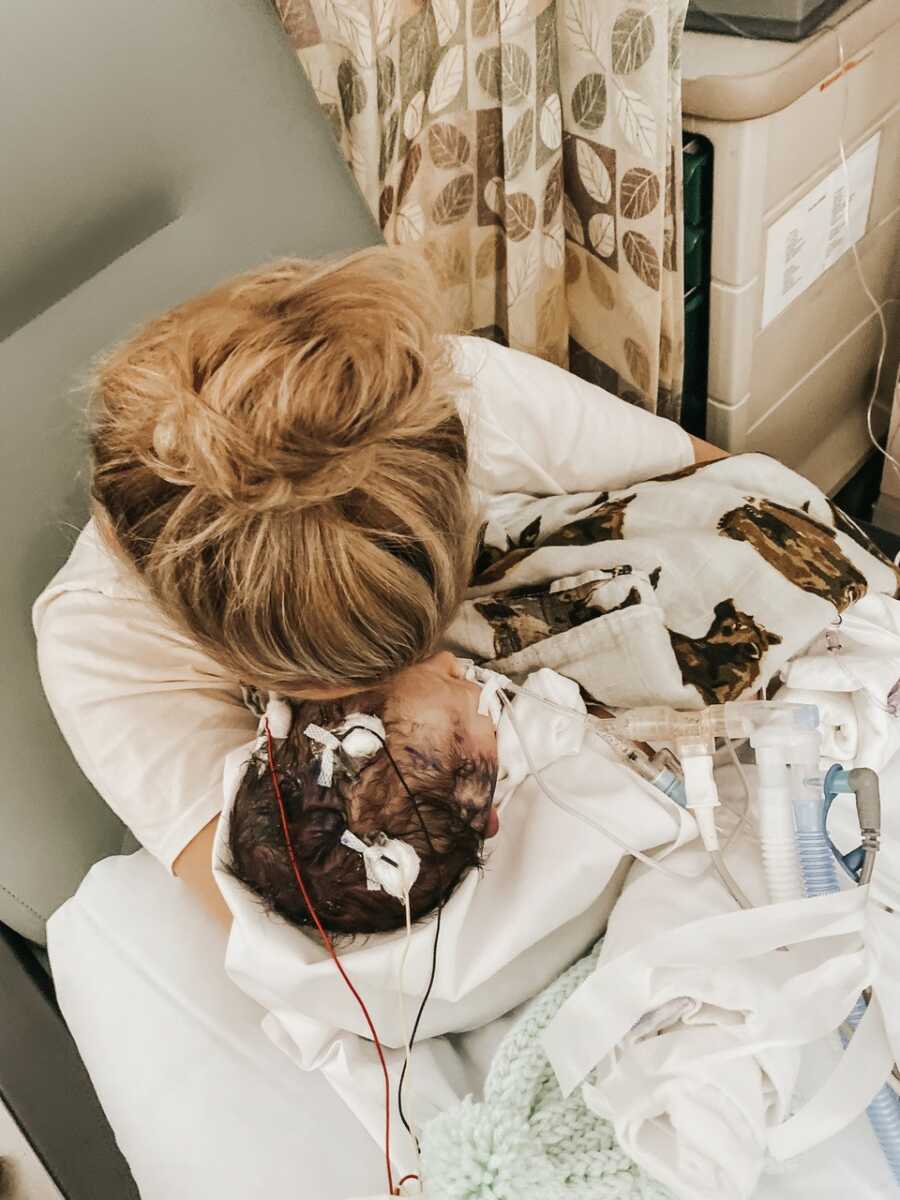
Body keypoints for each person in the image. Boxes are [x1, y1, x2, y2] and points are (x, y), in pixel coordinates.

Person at [32, 246, 722, 926]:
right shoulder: (107, 648)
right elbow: (304, 923)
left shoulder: (428, 398)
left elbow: (730, 484)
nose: (453, 667)